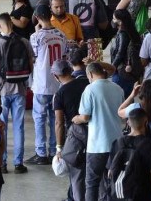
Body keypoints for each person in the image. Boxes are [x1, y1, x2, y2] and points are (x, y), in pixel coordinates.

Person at [72, 62, 125, 201]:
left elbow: (85, 116)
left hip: (97, 144)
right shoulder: (118, 88)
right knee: (116, 181)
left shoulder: (90, 89)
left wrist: (77, 119)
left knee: (92, 183)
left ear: (90, 74)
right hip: (117, 142)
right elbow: (122, 113)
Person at [0, 13, 33, 174]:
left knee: (1, 127)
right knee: (19, 126)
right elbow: (30, 66)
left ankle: (2, 163)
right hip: (20, 89)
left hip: (2, 91)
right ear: (12, 25)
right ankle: (18, 164)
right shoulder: (24, 41)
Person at [26, 4, 66, 166]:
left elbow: (34, 57)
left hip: (42, 84)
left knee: (39, 118)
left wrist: (36, 31)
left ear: (37, 17)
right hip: (58, 83)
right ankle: (52, 149)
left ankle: (41, 152)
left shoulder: (35, 37)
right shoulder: (61, 34)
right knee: (54, 118)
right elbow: (65, 55)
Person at [52, 58, 89, 201]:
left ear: (56, 76)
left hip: (75, 137)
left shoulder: (60, 94)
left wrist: (59, 147)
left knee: (77, 173)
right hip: (94, 132)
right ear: (70, 70)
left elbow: (59, 123)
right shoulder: (86, 82)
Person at [109, 9, 142, 98]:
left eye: (114, 19)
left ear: (120, 21)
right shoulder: (132, 31)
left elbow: (120, 53)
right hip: (129, 73)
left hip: (121, 72)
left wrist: (111, 67)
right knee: (128, 99)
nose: (113, 21)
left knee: (121, 100)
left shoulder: (123, 34)